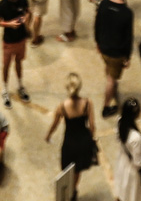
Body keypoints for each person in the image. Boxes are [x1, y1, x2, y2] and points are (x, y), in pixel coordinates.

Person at [45, 71, 99, 199]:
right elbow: (92, 126)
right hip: (83, 141)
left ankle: (66, 192)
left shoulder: (62, 107)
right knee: (77, 170)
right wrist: (90, 140)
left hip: (69, 142)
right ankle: (73, 191)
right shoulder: (87, 103)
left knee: (66, 170)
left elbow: (55, 124)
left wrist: (48, 135)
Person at [94, 0, 135, 116]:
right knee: (112, 79)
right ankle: (106, 107)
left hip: (104, 46)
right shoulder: (127, 13)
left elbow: (97, 24)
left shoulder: (104, 4)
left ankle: (111, 85)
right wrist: (128, 56)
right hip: (117, 52)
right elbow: (128, 37)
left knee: (108, 68)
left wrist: (97, 42)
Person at [111, 97, 141, 201]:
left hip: (122, 162)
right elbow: (138, 162)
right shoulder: (136, 138)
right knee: (132, 196)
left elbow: (119, 138)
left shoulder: (120, 121)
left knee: (122, 192)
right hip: (132, 174)